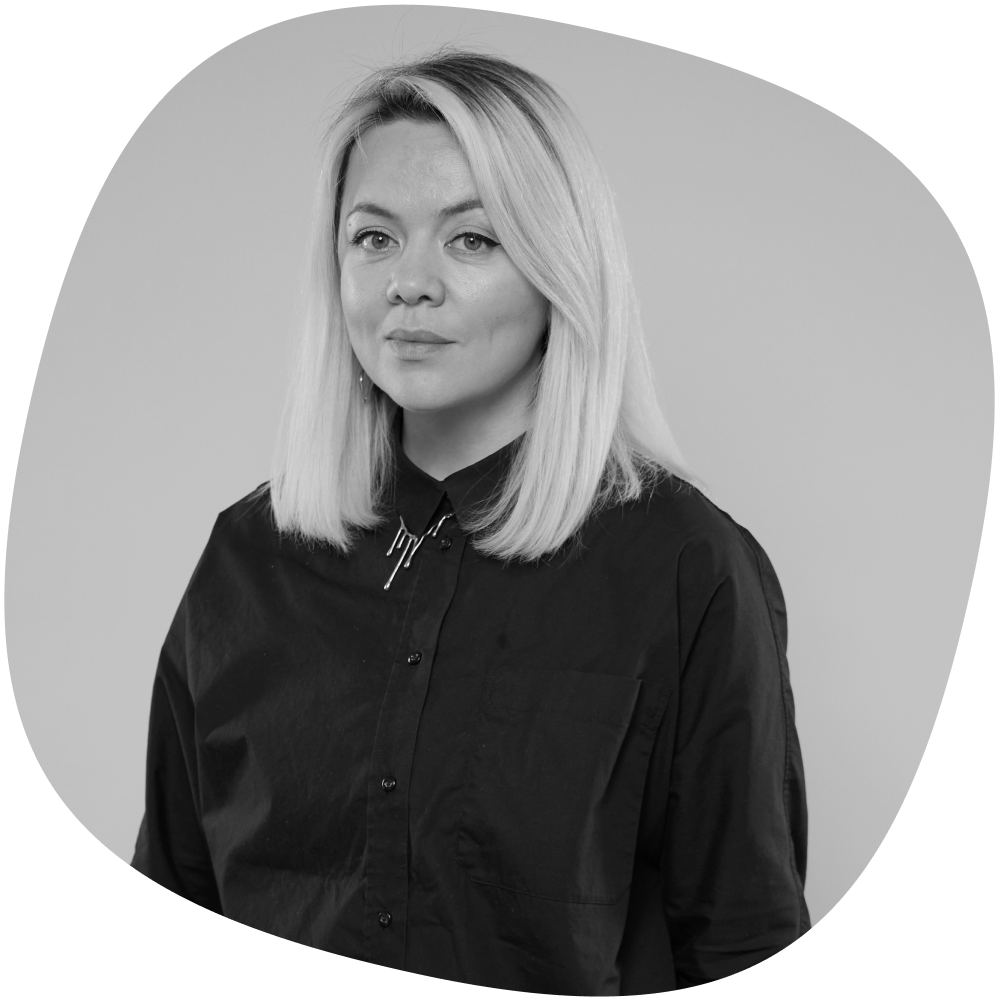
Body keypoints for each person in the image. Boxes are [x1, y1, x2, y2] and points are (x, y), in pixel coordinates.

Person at [131, 48, 810, 993]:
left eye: (473, 240)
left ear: (558, 267)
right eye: (374, 237)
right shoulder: (247, 557)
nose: (409, 283)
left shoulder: (685, 567)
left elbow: (743, 937)